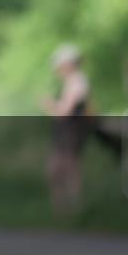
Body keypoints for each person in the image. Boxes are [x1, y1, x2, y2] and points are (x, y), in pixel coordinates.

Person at [42, 44, 90, 216]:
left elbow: (65, 112)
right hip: (68, 132)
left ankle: (70, 210)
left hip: (70, 132)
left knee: (65, 170)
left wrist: (49, 105)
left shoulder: (76, 81)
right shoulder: (75, 81)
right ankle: (65, 210)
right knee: (61, 170)